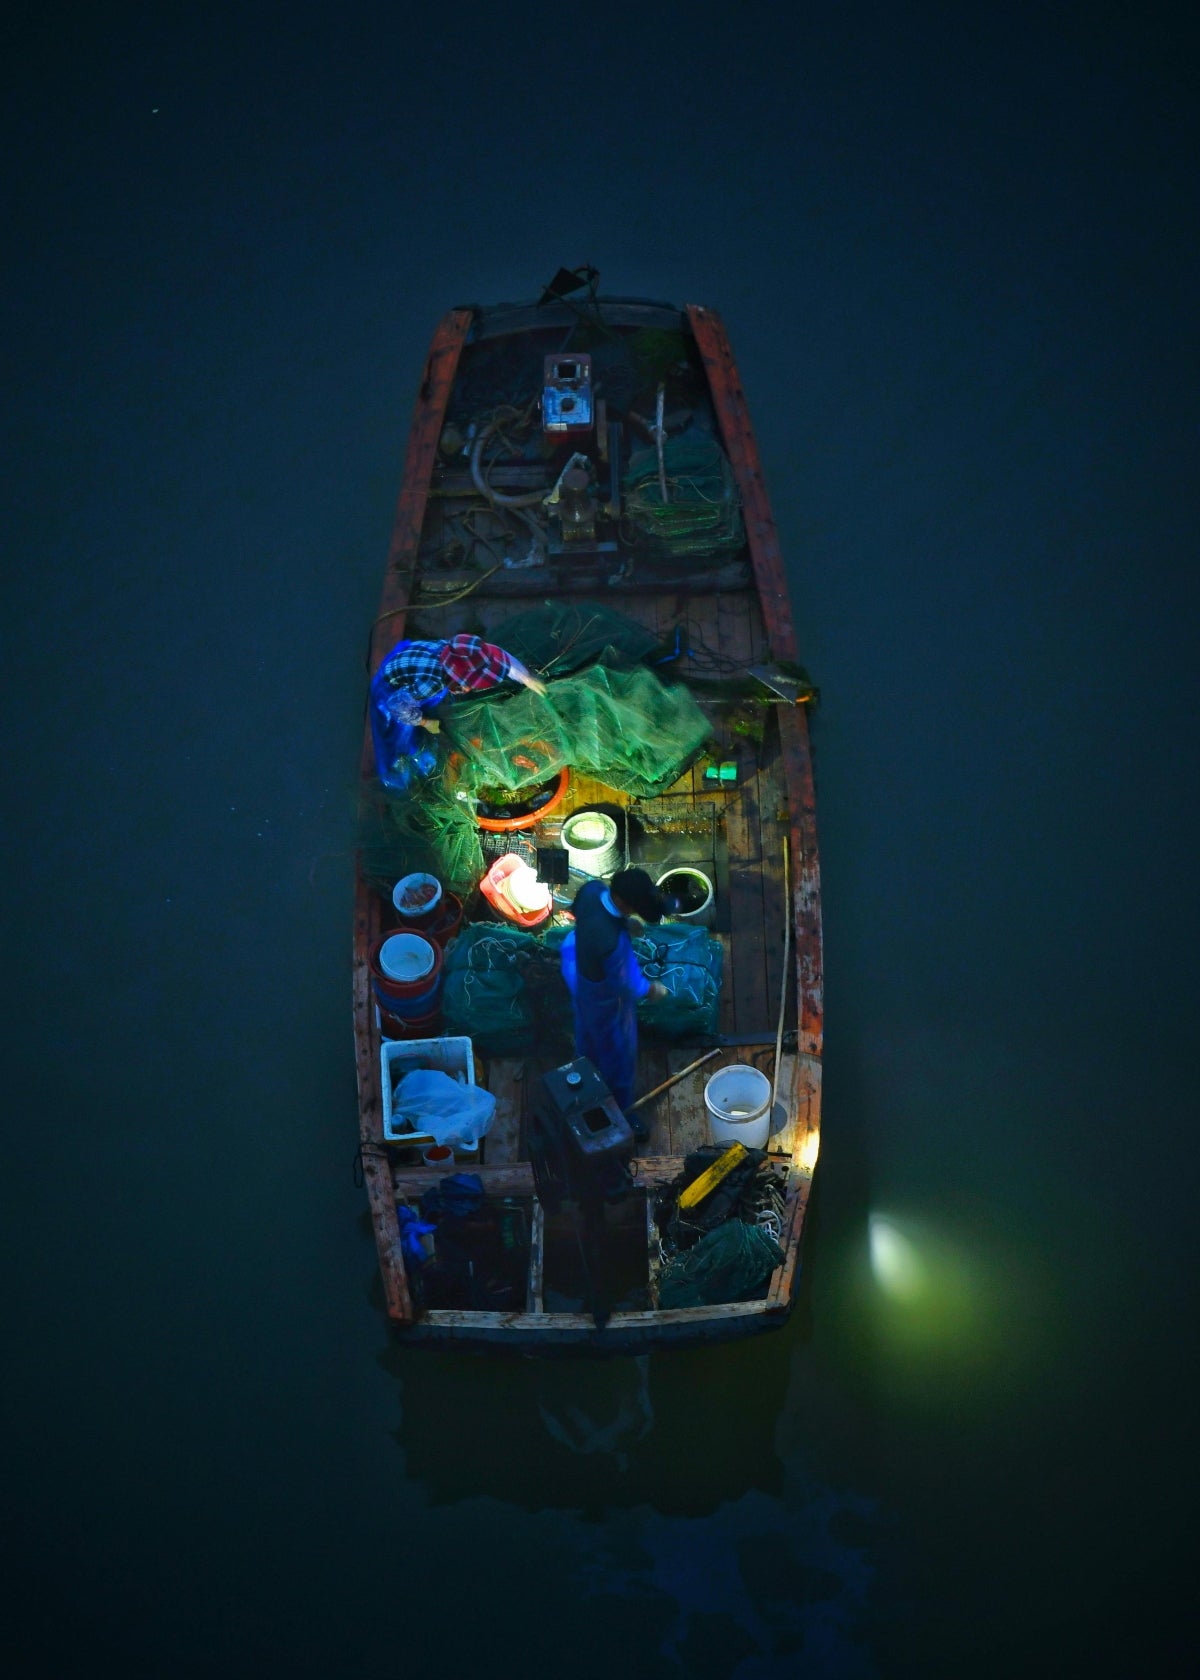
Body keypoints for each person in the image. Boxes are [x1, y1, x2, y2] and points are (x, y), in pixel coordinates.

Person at [559, 867, 670, 1140]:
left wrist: (625, 924)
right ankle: (621, 1110)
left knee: (585, 1038)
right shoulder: (613, 944)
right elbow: (627, 984)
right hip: (603, 999)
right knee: (617, 1055)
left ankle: (583, 1071)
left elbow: (584, 912)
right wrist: (652, 989)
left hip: (578, 971)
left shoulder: (592, 890)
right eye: (634, 909)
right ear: (624, 902)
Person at [369, 632, 547, 789]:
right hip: (393, 689)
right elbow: (397, 705)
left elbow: (504, 659)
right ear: (453, 680)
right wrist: (424, 722)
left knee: (430, 705)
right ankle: (396, 772)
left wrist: (527, 678)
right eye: (468, 685)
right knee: (397, 733)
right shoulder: (432, 684)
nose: (471, 689)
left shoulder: (467, 654)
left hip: (415, 660)